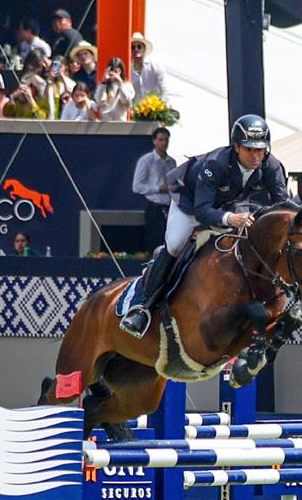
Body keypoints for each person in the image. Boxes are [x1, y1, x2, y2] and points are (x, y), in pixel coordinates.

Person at [119, 114, 288, 339]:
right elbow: (202, 211)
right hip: (190, 203)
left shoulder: (271, 166)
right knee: (176, 244)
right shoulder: (216, 164)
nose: (256, 155)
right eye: (249, 149)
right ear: (236, 147)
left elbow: (283, 206)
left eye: (260, 149)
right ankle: (143, 307)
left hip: (227, 204)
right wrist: (230, 219)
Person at [133, 125, 177, 253]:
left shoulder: (171, 162)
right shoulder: (146, 161)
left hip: (169, 208)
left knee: (169, 241)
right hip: (155, 207)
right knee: (154, 241)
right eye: (161, 140)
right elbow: (137, 186)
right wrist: (159, 189)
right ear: (154, 141)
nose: (164, 143)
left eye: (166, 140)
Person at [130, 32, 168, 101]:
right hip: (136, 106)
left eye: (139, 47)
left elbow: (164, 90)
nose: (136, 49)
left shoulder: (156, 67)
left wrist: (164, 103)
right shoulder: (128, 70)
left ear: (144, 49)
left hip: (154, 106)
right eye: (133, 47)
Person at [94, 57, 135, 121]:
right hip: (105, 122)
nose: (113, 74)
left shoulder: (127, 85)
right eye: (111, 71)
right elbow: (99, 101)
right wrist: (104, 82)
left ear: (121, 71)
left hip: (120, 121)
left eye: (116, 72)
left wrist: (120, 83)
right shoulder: (103, 85)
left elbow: (126, 100)